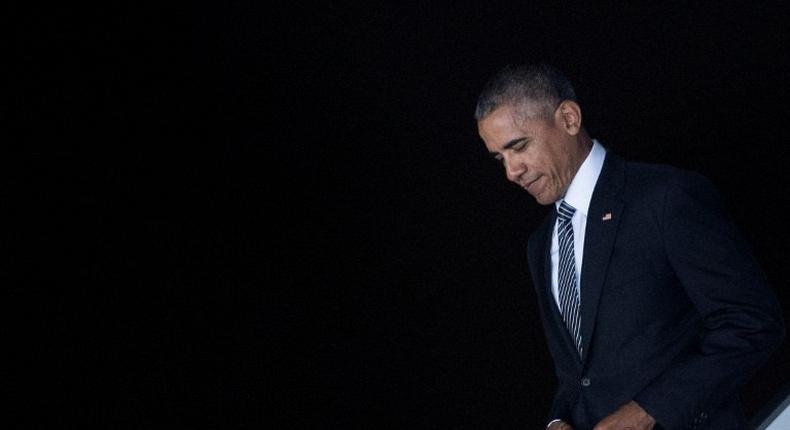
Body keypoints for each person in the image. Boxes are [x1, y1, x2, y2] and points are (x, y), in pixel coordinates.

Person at [475, 63, 785, 430]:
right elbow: (578, 373)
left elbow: (752, 324)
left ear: (569, 118)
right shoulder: (540, 244)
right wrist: (559, 418)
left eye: (519, 146)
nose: (511, 172)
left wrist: (646, 412)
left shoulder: (666, 198)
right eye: (500, 158)